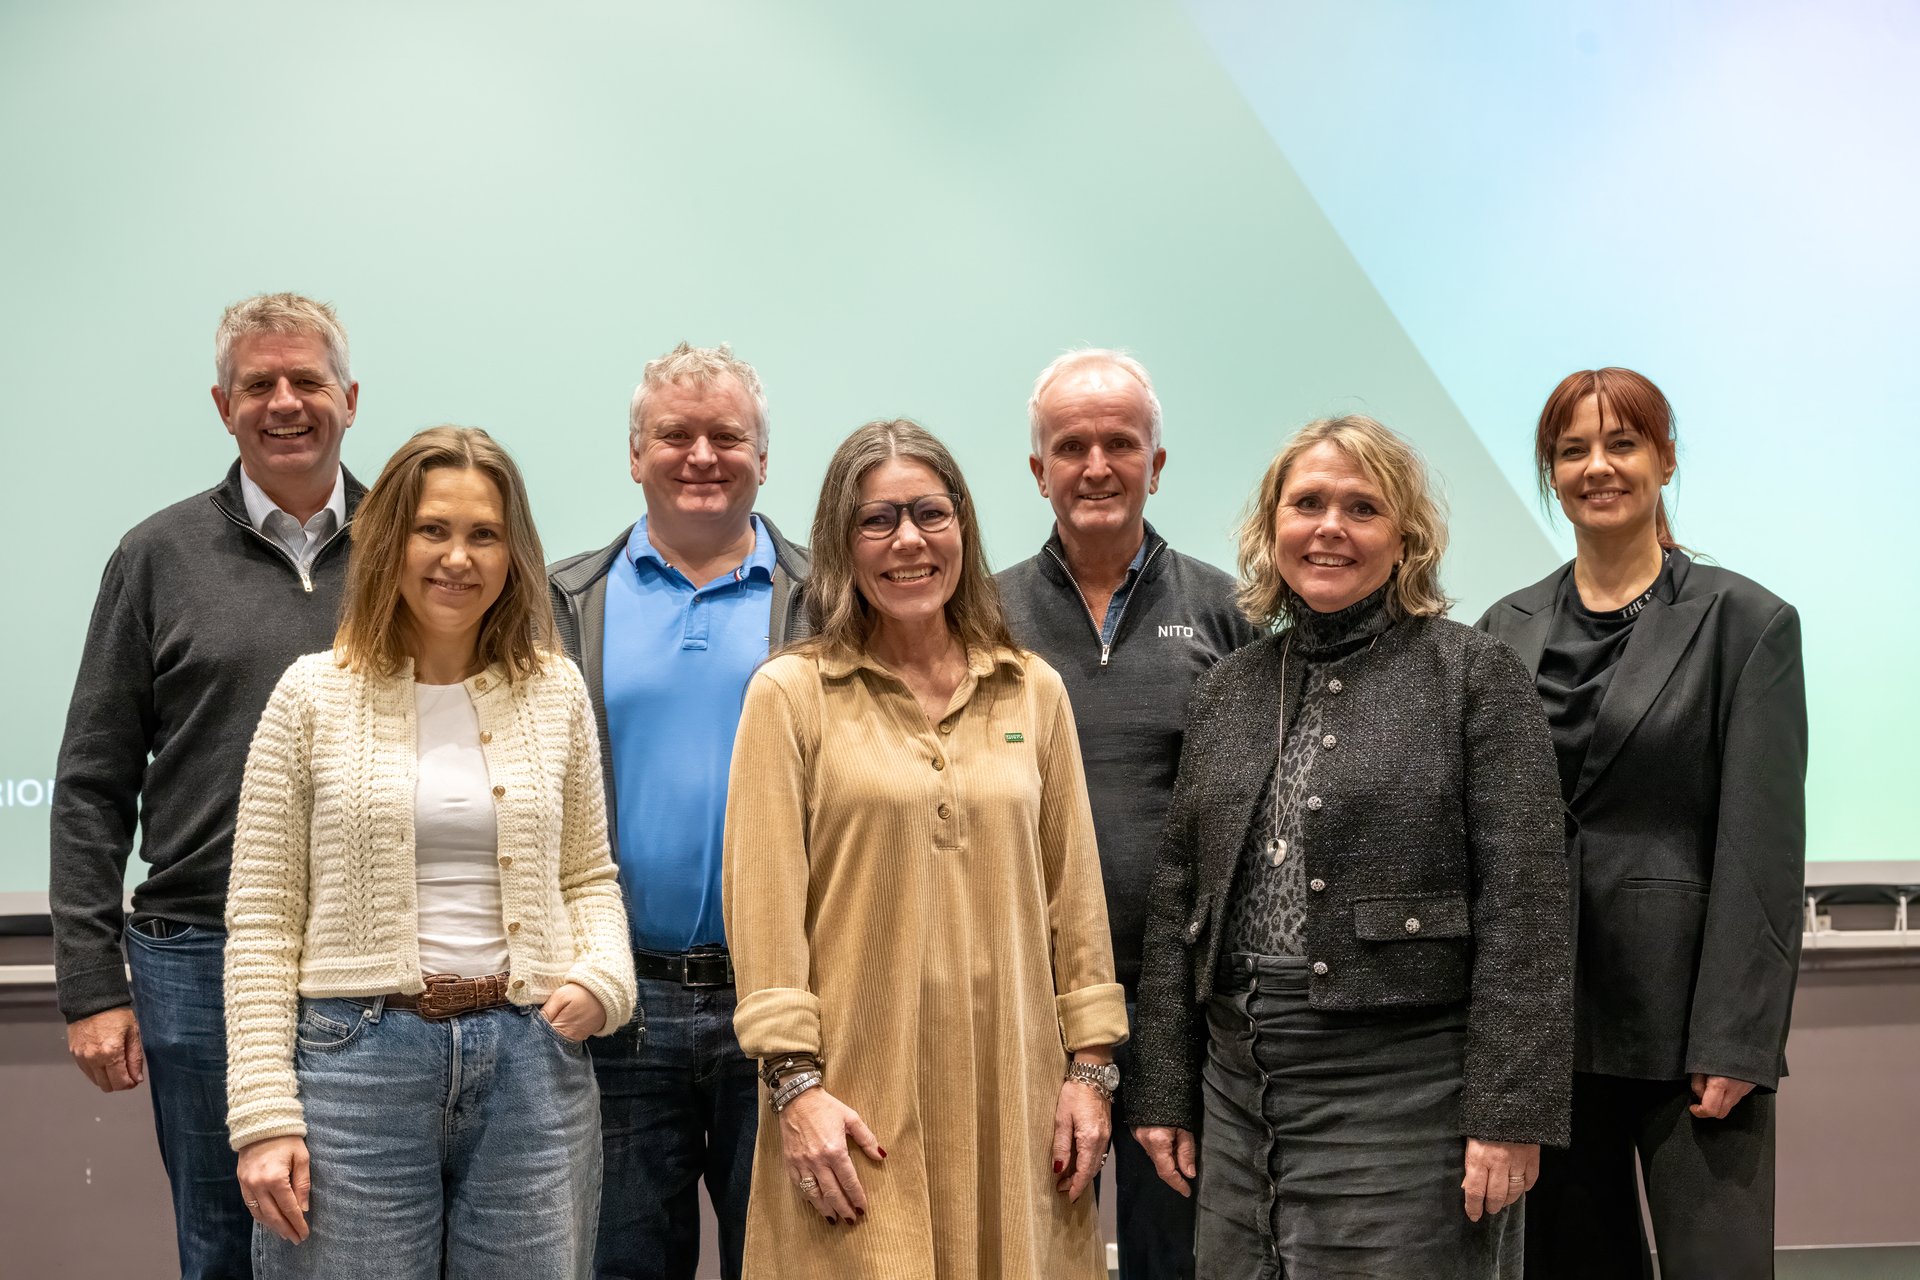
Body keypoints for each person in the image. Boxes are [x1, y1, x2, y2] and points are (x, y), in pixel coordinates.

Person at [1131, 415, 1572, 1278]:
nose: (1329, 527)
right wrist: (1163, 1087)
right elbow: (1180, 898)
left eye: (1362, 508)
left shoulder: (1474, 676)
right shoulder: (1229, 688)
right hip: (1238, 1090)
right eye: (1307, 504)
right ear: (1271, 528)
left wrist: (1509, 1112)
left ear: (1405, 538)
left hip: (1405, 1096)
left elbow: (1527, 910)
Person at [222, 426, 635, 1277]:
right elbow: (262, 919)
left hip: (533, 1066)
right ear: (390, 543)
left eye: (484, 534)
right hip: (356, 1069)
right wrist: (263, 1113)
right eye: (432, 530)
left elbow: (587, 875)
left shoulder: (553, 690)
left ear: (514, 554)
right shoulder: (311, 695)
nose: (458, 557)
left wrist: (605, 977)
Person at [723, 419, 1127, 1279]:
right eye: (877, 520)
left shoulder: (1031, 690)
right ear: (841, 542)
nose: (908, 540)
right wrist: (796, 1089)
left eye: (929, 514)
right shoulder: (790, 695)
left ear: (962, 528)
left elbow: (1077, 898)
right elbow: (764, 916)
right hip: (852, 1101)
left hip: (1015, 1096)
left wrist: (1090, 1073)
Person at [50, 292, 363, 1279]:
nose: (285, 402)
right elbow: (92, 781)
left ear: (350, 398)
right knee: (225, 1244)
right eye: (258, 384)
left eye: (307, 380)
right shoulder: (155, 556)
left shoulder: (414, 548)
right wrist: (90, 983)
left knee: (369, 1240)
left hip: (369, 957)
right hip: (198, 955)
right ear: (223, 406)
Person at [1477, 369, 1806, 1280]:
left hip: (1689, 1034)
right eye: (1572, 450)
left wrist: (1737, 1038)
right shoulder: (1503, 627)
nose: (1598, 467)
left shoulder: (1746, 622)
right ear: (1551, 473)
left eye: (1622, 444)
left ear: (1665, 460)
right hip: (1547, 1031)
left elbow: (1762, 850)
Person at [547, 341, 810, 1280]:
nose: (702, 456)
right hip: (619, 1007)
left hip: (781, 1003)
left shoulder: (830, 602)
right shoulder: (561, 603)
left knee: (785, 1264)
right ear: (634, 454)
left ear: (763, 457)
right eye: (675, 435)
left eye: (726, 436)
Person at [996, 348, 1259, 1278]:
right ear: (1039, 471)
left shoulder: (1231, 612)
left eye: (1121, 443)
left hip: (1184, 1007)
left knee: (1173, 1259)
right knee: (1027, 1253)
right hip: (1025, 998)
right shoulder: (982, 617)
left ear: (1158, 463)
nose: (1097, 466)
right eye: (1072, 447)